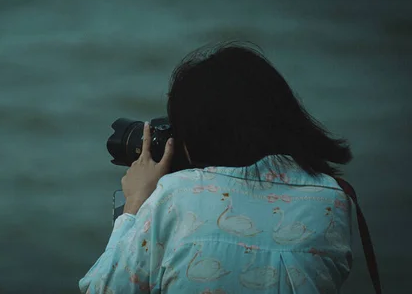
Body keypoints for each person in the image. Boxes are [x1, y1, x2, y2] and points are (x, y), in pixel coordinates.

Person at [79, 43, 354, 293]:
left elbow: (103, 290)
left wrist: (135, 204)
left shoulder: (176, 195)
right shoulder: (332, 198)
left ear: (202, 132)